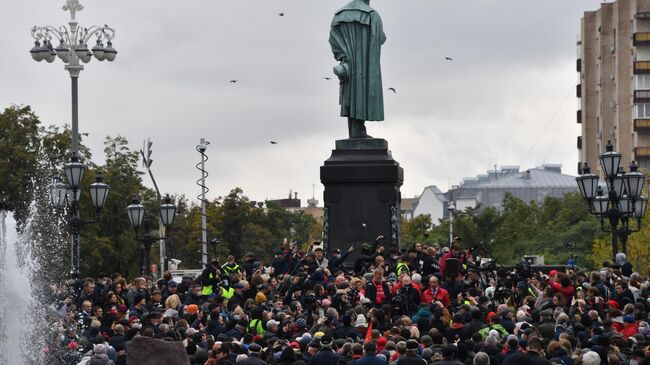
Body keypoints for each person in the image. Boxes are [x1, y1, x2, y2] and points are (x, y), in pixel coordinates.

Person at [330, 0, 386, 138]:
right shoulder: (372, 16)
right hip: (366, 66)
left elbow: (333, 41)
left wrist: (344, 56)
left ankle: (356, 130)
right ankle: (358, 130)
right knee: (361, 93)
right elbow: (380, 39)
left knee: (350, 95)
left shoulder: (338, 16)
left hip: (348, 65)